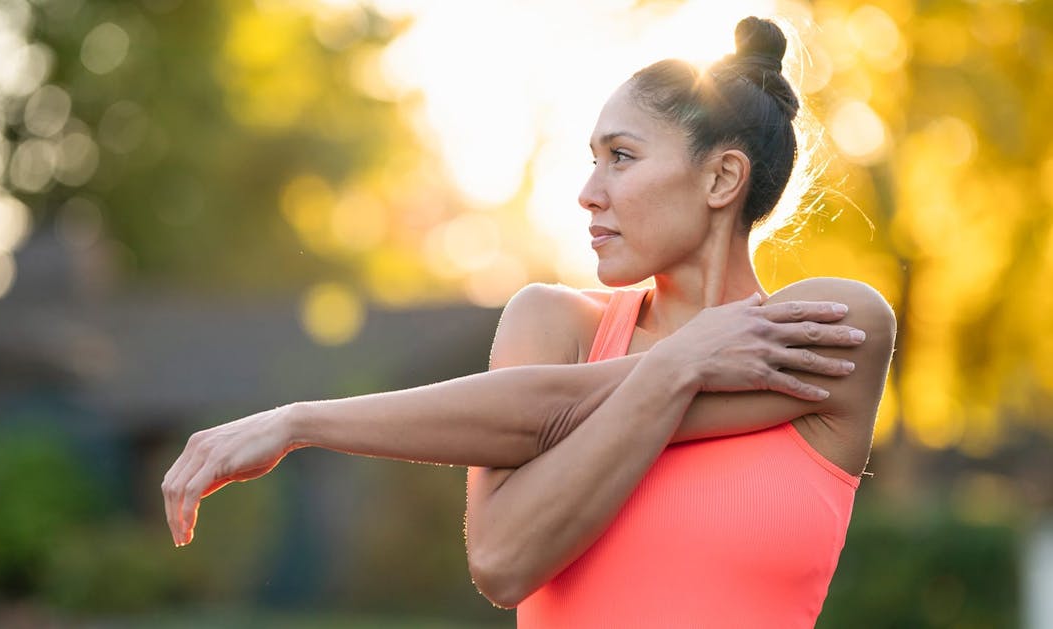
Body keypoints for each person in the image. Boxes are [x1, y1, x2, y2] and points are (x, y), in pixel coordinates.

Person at [162, 16, 895, 627]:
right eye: (592, 159)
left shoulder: (837, 329)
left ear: (721, 178)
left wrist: (678, 365)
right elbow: (504, 562)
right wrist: (680, 364)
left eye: (621, 157)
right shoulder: (553, 324)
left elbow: (549, 411)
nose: (588, 192)